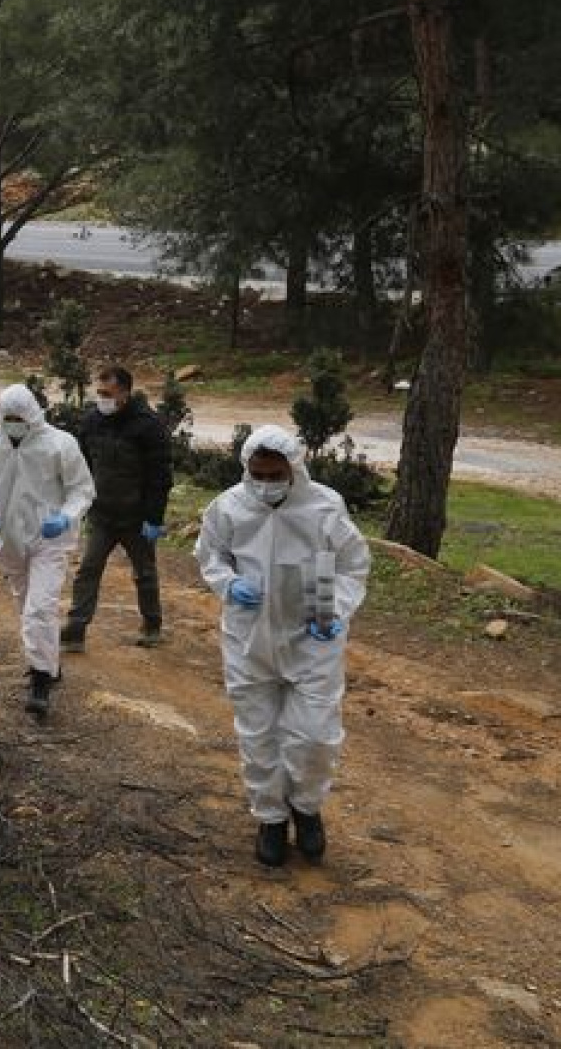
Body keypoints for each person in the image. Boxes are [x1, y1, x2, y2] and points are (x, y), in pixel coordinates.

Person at [194, 426, 370, 869]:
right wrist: (229, 584)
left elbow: (352, 563)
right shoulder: (229, 506)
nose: (266, 484)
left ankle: (306, 808)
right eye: (258, 474)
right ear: (246, 469)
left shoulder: (324, 506)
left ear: (295, 470)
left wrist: (336, 609)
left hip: (312, 635)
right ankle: (270, 817)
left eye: (275, 475)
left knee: (314, 736)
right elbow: (209, 554)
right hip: (249, 637)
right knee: (258, 734)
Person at [0, 385, 95, 719]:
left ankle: (40, 681)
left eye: (18, 418)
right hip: (9, 540)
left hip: (49, 540)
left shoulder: (59, 444)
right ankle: (49, 663)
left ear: (32, 415)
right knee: (28, 607)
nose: (13, 424)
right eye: (7, 418)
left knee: (40, 607)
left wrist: (65, 517)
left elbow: (82, 489)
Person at [63, 366, 174, 651]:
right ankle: (75, 629)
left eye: (107, 394)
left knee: (144, 572)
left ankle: (152, 625)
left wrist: (154, 518)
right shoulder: (91, 422)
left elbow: (160, 476)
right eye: (98, 393)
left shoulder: (148, 426)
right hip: (101, 514)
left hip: (136, 517)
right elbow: (82, 466)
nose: (102, 399)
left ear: (125, 392)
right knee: (88, 568)